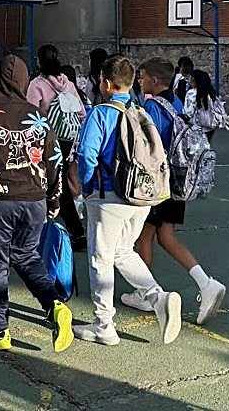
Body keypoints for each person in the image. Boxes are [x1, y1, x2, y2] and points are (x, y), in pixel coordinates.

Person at [0, 54, 74, 352]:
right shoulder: (39, 118)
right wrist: (53, 199)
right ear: (23, 82)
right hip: (33, 198)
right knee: (26, 256)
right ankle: (54, 305)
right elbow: (54, 160)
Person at [75, 54, 181, 347]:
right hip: (142, 195)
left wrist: (86, 186)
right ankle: (157, 297)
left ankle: (103, 323)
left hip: (108, 194)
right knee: (123, 251)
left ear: (106, 83)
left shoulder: (101, 113)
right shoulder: (140, 112)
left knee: (100, 258)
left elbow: (86, 154)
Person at [131, 58, 227, 325]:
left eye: (142, 77)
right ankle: (205, 283)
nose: (139, 81)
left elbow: (150, 144)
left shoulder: (151, 106)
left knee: (144, 237)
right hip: (180, 180)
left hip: (159, 181)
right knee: (165, 235)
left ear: (153, 80)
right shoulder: (175, 103)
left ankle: (144, 292)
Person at [25, 45, 87, 251]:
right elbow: (80, 112)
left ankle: (38, 230)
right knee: (60, 182)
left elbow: (30, 114)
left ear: (38, 61)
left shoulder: (37, 84)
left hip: (46, 140)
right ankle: (76, 231)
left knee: (42, 181)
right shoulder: (67, 83)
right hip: (67, 139)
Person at [182, 70, 225, 143]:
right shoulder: (211, 93)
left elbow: (189, 113)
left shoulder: (191, 93)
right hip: (210, 127)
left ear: (194, 80)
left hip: (195, 128)